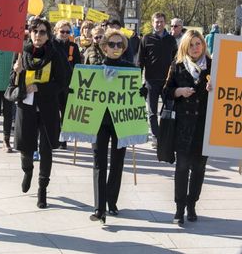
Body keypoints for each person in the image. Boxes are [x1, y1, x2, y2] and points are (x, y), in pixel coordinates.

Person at [8, 18, 68, 208]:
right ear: (30, 33)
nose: (38, 35)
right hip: (25, 107)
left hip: (48, 108)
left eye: (42, 32)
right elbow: (11, 86)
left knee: (46, 150)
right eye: (35, 31)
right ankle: (27, 170)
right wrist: (16, 72)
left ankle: (42, 189)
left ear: (48, 35)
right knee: (26, 148)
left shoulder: (56, 54)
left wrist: (40, 88)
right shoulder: (21, 54)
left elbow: (62, 82)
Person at [162, 30, 211, 225]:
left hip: (204, 126)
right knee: (182, 168)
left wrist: (214, 89)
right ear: (185, 46)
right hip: (183, 126)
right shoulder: (178, 66)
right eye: (191, 44)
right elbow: (165, 92)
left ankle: (192, 204)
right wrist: (178, 91)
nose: (195, 48)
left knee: (199, 168)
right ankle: (179, 207)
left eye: (198, 43)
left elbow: (227, 92)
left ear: (203, 45)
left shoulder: (213, 66)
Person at [89, 29, 136, 224]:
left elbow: (136, 95)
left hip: (121, 122)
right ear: (104, 47)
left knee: (117, 164)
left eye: (119, 45)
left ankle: (112, 202)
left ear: (124, 48)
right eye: (112, 44)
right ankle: (99, 208)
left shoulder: (130, 69)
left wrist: (139, 90)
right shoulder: (96, 69)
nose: (116, 48)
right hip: (100, 122)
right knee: (99, 164)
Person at [138, 12, 177, 146]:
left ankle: (165, 136)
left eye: (161, 21)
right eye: (156, 22)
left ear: (165, 23)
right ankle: (156, 137)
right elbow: (140, 61)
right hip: (151, 80)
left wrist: (175, 78)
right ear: (152, 22)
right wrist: (138, 81)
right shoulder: (146, 39)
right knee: (152, 111)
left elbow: (175, 60)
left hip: (167, 81)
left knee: (167, 110)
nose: (159, 24)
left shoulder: (171, 40)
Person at [54, 20, 79, 149]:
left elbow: (78, 67)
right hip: (53, 84)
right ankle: (54, 137)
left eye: (67, 32)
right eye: (62, 31)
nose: (64, 34)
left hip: (68, 85)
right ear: (56, 31)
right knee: (54, 113)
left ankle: (63, 139)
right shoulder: (51, 44)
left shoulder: (73, 47)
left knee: (65, 113)